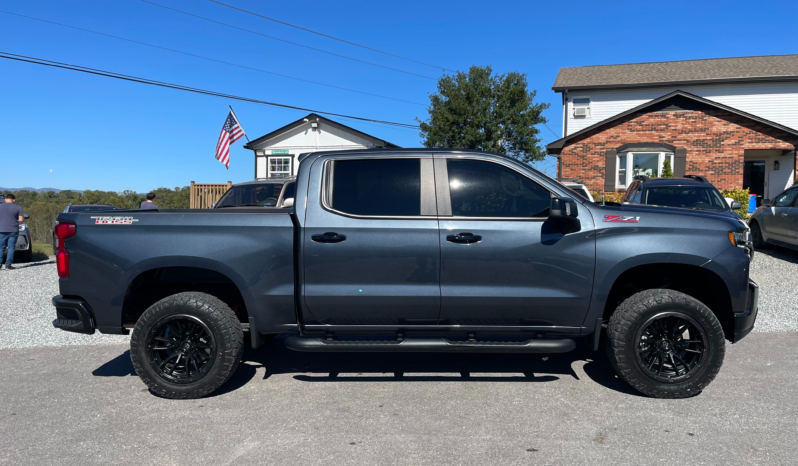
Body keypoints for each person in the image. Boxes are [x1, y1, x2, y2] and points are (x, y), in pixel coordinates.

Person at [0, 193, 25, 270]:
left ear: (5, 199)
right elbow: (21, 219)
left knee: (1, 248)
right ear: (14, 200)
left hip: (2, 230)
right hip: (13, 230)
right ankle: (8, 265)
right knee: (11, 248)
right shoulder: (17, 207)